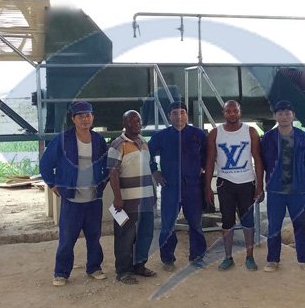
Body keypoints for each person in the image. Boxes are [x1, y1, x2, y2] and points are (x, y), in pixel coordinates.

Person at [39, 101, 109, 287]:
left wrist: (103, 182)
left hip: (94, 199)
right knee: (67, 238)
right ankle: (61, 272)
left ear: (92, 117)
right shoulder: (63, 140)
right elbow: (46, 163)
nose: (85, 119)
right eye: (80, 116)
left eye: (88, 115)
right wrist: (52, 183)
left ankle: (94, 268)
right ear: (73, 119)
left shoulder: (99, 140)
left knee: (94, 236)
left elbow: (108, 164)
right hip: (72, 199)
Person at [204, 100, 264, 271]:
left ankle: (250, 256)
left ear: (240, 112)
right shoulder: (215, 133)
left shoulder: (250, 131)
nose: (232, 114)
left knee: (248, 221)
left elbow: (258, 159)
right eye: (228, 111)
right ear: (223, 113)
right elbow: (209, 161)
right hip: (225, 182)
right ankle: (228, 256)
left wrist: (260, 186)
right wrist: (207, 186)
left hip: (246, 182)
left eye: (235, 110)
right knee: (227, 221)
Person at [148, 101, 207, 271]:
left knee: (195, 224)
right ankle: (168, 259)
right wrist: (154, 171)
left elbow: (208, 153)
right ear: (169, 116)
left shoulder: (198, 135)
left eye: (182, 112)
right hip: (170, 186)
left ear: (187, 115)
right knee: (167, 225)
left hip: (193, 187)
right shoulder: (161, 136)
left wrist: (203, 167)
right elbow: (148, 153)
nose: (179, 116)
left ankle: (197, 257)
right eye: (175, 113)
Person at [260, 100, 305, 273]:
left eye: (287, 113)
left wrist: (299, 176)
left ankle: (304, 260)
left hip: (298, 190)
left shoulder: (302, 137)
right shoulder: (268, 138)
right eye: (280, 113)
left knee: (300, 225)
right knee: (274, 226)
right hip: (276, 190)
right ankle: (272, 260)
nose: (284, 116)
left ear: (293, 115)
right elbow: (262, 161)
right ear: (275, 116)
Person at [107, 110, 157, 284]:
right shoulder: (117, 144)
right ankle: (123, 271)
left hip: (146, 199)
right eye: (132, 121)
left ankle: (139, 265)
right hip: (127, 201)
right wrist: (117, 198)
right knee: (125, 236)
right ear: (125, 123)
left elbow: (148, 169)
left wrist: (153, 194)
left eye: (138, 120)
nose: (136, 123)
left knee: (145, 234)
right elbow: (112, 172)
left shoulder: (144, 142)